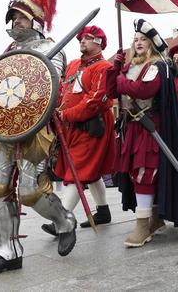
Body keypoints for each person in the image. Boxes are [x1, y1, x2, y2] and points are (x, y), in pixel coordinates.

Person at [0, 0, 77, 278]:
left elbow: (52, 88)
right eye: (13, 17)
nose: (15, 21)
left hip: (36, 129)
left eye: (21, 17)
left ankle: (64, 220)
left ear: (35, 21)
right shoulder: (6, 54)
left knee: (31, 191)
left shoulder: (52, 48)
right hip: (4, 130)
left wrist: (40, 65)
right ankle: (8, 250)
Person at [106, 19, 178, 247]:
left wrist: (121, 80)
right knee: (136, 173)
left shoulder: (157, 66)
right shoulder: (129, 67)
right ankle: (155, 217)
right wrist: (115, 69)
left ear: (151, 43)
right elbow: (111, 90)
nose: (139, 42)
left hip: (149, 126)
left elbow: (143, 89)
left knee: (145, 172)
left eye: (143, 39)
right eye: (136, 39)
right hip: (132, 126)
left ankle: (143, 224)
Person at [41, 25, 117, 236]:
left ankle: (62, 221)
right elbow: (63, 90)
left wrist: (66, 115)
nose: (82, 41)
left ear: (99, 43)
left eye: (88, 38)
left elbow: (96, 101)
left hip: (92, 126)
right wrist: (55, 111)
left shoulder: (104, 67)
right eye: (81, 38)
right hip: (70, 127)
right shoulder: (74, 65)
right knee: (90, 174)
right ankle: (103, 212)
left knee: (78, 171)